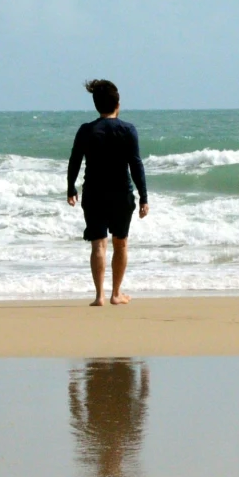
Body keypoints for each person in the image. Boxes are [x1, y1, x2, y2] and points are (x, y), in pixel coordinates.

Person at [66, 78, 148, 306]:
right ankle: (116, 294)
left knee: (98, 244)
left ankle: (99, 296)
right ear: (117, 104)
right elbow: (136, 165)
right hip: (121, 194)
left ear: (97, 105)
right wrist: (144, 197)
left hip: (93, 194)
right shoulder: (127, 130)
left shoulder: (86, 130)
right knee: (120, 243)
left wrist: (71, 187)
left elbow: (74, 161)